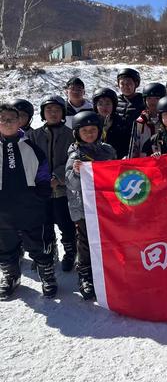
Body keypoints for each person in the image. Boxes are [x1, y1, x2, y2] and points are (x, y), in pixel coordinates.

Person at [0, 104, 57, 300]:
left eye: (12, 119)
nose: (7, 123)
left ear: (19, 122)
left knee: (37, 242)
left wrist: (42, 189)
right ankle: (11, 276)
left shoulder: (31, 146)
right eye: (3, 119)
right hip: (2, 208)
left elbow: (42, 169)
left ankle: (47, 274)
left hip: (30, 205)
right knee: (5, 244)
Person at [65, 111, 116, 300]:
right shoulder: (75, 155)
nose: (89, 133)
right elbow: (70, 183)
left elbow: (115, 174)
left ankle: (105, 272)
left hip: (106, 206)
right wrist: (78, 172)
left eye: (93, 130)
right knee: (85, 243)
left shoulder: (107, 150)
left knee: (106, 240)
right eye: (84, 130)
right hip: (85, 209)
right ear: (77, 133)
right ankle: (85, 274)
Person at [30, 95, 76, 272]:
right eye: (49, 110)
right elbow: (29, 161)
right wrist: (42, 180)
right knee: (45, 223)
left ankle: (70, 252)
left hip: (64, 190)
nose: (53, 113)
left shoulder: (70, 134)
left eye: (57, 110)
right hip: (42, 190)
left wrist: (58, 177)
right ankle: (48, 251)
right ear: (43, 113)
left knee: (66, 223)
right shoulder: (34, 135)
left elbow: (74, 160)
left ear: (63, 112)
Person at [129, 82, 166, 158]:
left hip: (164, 160)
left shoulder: (166, 120)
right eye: (149, 98)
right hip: (144, 162)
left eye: (156, 98)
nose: (152, 102)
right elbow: (134, 146)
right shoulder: (140, 121)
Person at [92, 87, 130, 159]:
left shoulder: (121, 123)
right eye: (100, 104)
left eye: (108, 103)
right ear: (95, 106)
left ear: (114, 105)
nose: (104, 107)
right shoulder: (90, 122)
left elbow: (126, 145)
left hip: (116, 162)